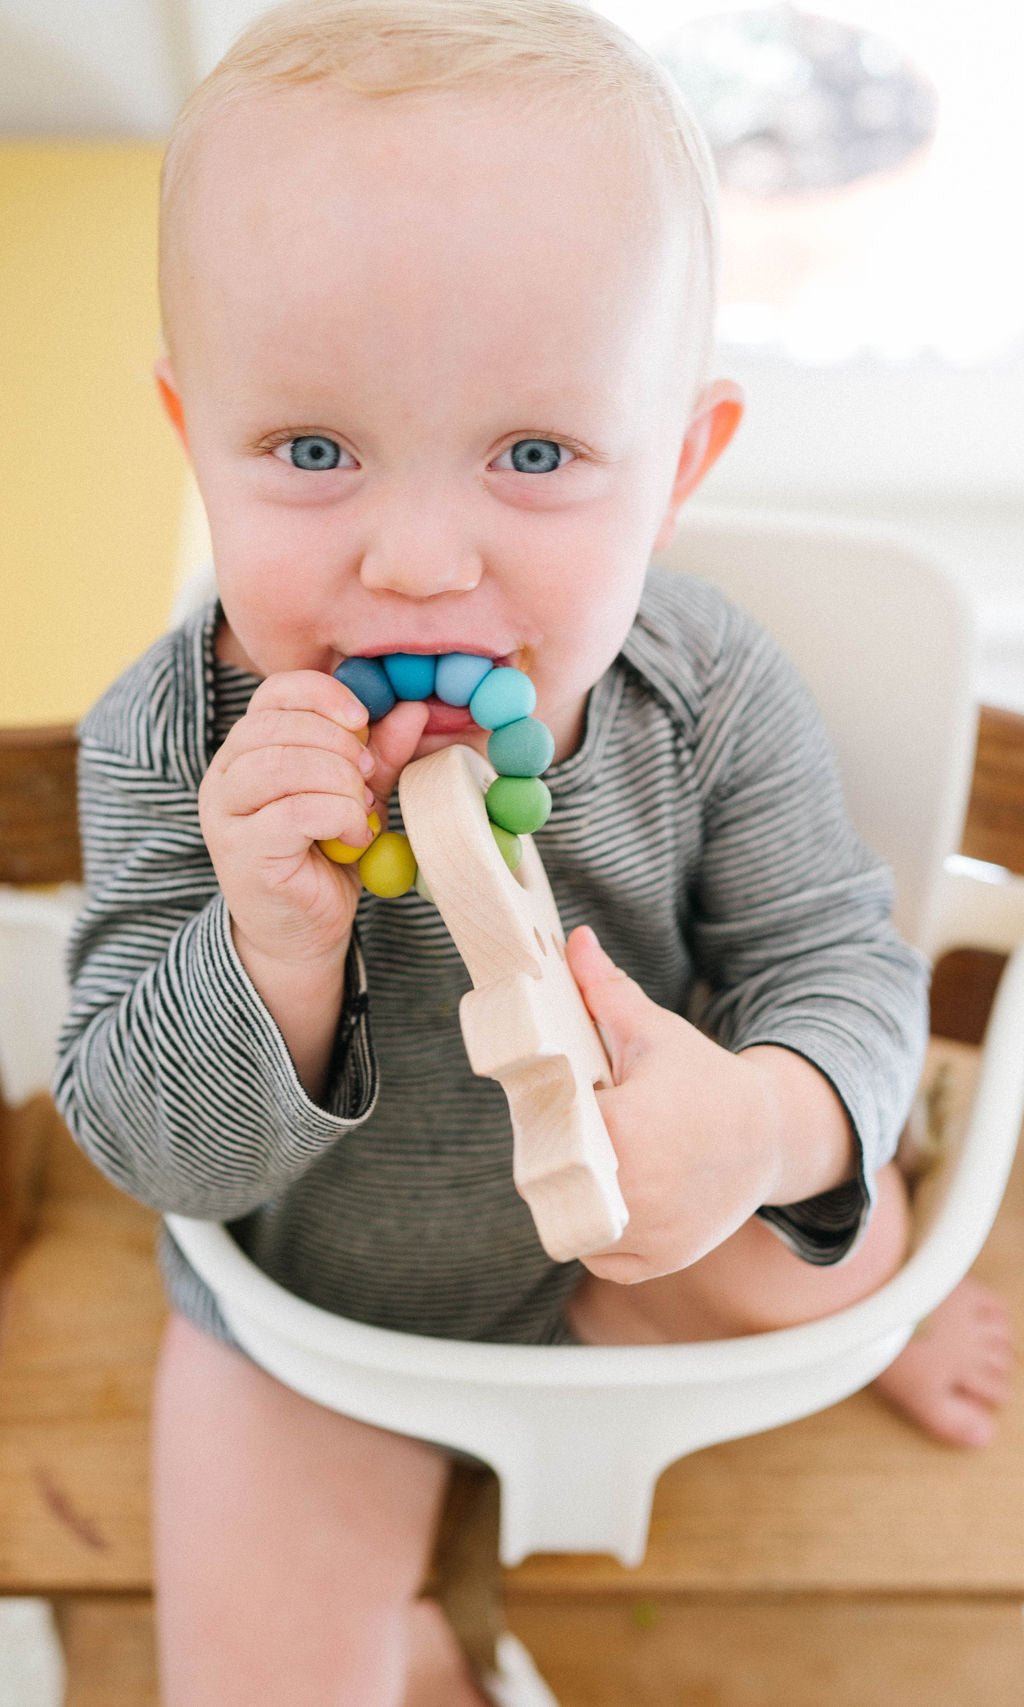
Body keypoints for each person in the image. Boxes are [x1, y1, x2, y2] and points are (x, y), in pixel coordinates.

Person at [53, 2, 1012, 1702]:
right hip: (327, 1312)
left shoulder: (703, 689)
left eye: (537, 456)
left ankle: (860, 1304)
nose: (418, 560)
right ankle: (418, 1645)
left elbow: (840, 960)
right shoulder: (167, 738)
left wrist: (764, 1125)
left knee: (833, 1232)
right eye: (314, 452)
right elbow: (149, 1153)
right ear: (194, 439)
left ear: (678, 471)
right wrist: (267, 947)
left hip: (660, 1229)